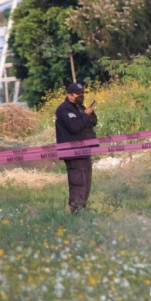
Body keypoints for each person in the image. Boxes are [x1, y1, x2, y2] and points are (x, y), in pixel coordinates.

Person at [55, 83, 98, 214]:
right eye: (78, 94)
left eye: (82, 94)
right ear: (69, 95)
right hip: (73, 153)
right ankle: (76, 211)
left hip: (84, 151)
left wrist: (89, 112)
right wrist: (84, 114)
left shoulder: (79, 108)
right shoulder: (64, 109)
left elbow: (92, 122)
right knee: (78, 183)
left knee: (86, 184)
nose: (81, 97)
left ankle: (82, 210)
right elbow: (74, 127)